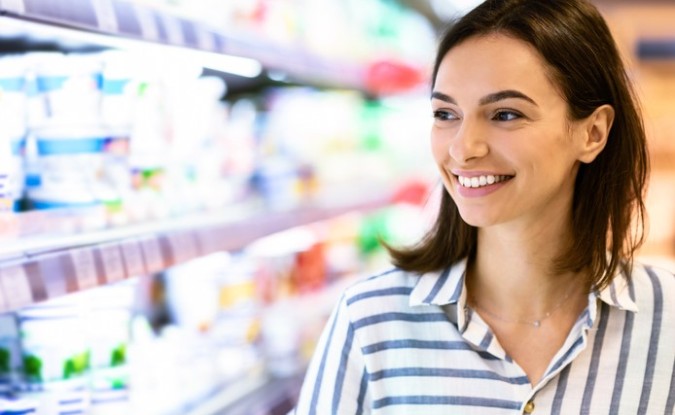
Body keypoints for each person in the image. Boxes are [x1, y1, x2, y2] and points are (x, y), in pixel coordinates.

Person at [292, 0, 675, 413]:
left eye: (505, 114)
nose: (462, 148)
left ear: (593, 133)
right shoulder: (370, 319)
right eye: (445, 113)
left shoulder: (666, 318)